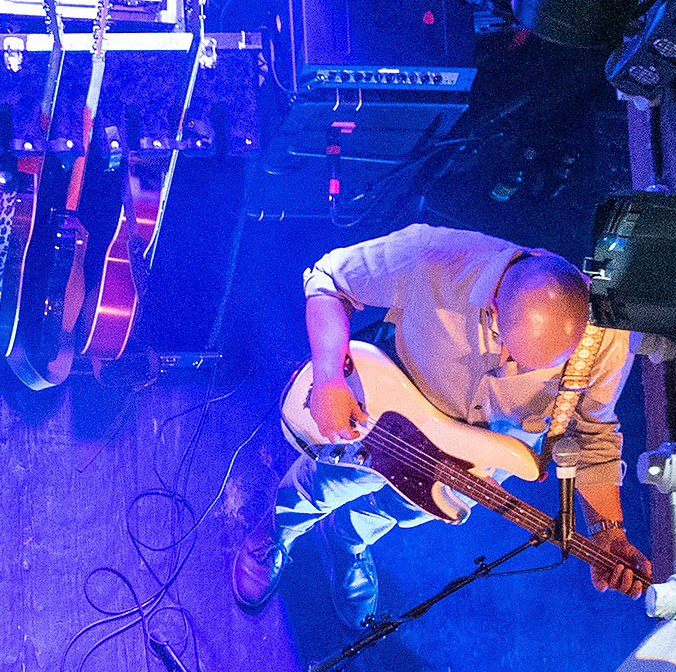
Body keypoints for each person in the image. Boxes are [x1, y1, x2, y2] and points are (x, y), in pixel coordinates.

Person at [231, 224, 648, 623]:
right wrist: (328, 377)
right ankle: (278, 531)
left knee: (399, 511)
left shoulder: (606, 340)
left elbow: (592, 436)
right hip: (383, 421)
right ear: (495, 304)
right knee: (326, 485)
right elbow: (328, 279)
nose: (512, 368)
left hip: (470, 470)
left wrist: (608, 532)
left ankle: (349, 539)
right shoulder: (435, 255)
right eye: (509, 349)